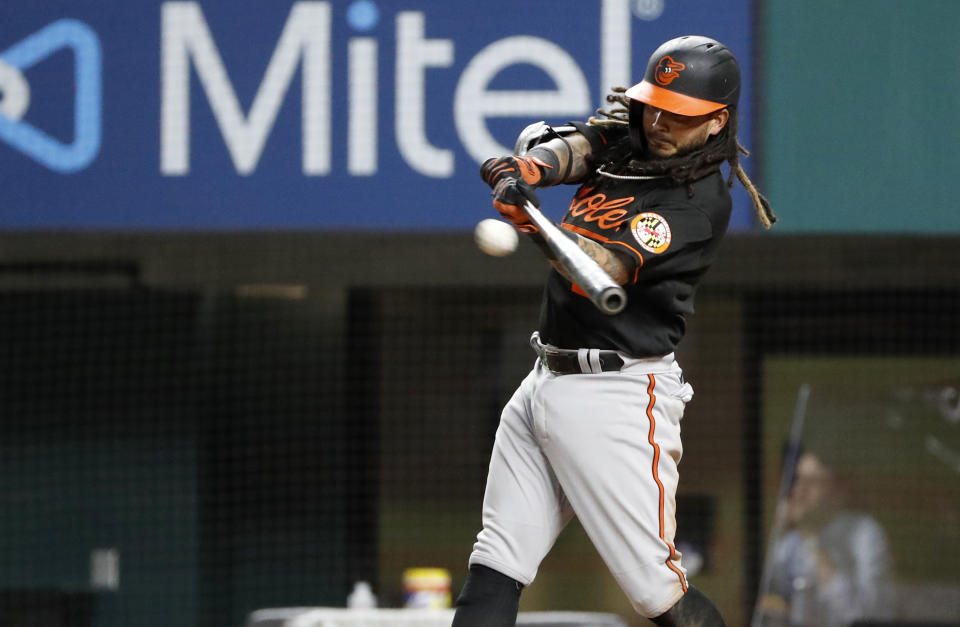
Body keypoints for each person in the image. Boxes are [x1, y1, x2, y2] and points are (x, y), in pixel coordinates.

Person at [452, 35, 775, 627]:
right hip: (544, 377)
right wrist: (528, 169)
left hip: (618, 394)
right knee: (497, 559)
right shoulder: (636, 132)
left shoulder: (700, 201)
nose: (659, 122)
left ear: (716, 122)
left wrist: (531, 220)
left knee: (657, 592)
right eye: (655, 105)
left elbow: (597, 269)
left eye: (679, 115)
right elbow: (577, 147)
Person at [756, 448, 894, 627]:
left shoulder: (866, 534)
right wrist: (778, 532)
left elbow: (867, 615)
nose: (799, 491)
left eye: (812, 482)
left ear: (838, 491)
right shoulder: (791, 538)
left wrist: (815, 545)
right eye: (798, 480)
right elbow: (764, 595)